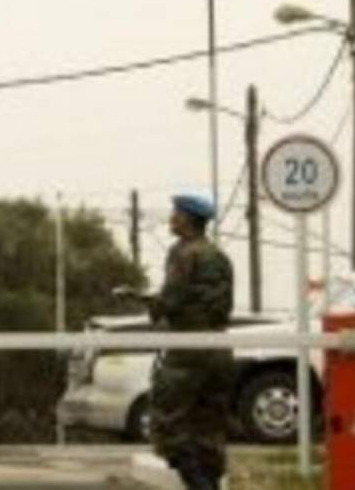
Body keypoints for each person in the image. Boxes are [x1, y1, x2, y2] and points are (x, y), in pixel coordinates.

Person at [149, 195, 235, 490]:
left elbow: (170, 301)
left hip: (187, 353)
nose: (171, 217)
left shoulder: (184, 253)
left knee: (167, 425)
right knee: (209, 429)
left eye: (176, 213)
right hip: (219, 348)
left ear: (187, 219)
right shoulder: (218, 254)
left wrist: (148, 303)